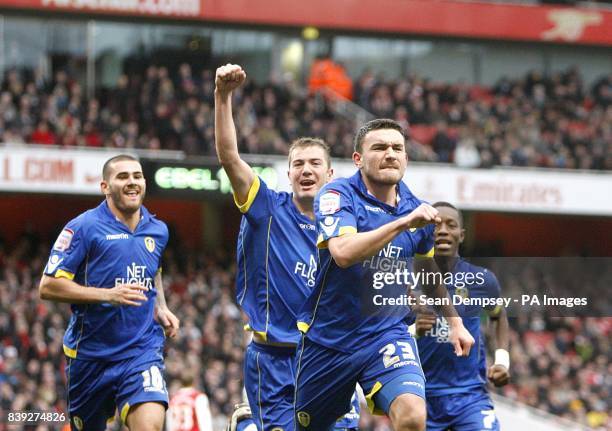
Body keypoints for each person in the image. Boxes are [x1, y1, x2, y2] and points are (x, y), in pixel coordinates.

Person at [294, 118, 474, 431]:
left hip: (386, 334)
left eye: (397, 148)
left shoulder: (416, 207)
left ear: (405, 158)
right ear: (358, 159)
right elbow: (344, 253)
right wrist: (402, 224)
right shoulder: (336, 196)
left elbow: (427, 271)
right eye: (379, 147)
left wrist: (455, 323)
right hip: (329, 339)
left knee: (413, 415)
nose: (390, 153)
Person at [215, 64, 359, 431]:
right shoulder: (266, 206)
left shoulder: (348, 225)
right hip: (273, 358)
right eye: (298, 164)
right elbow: (230, 158)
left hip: (328, 358)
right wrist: (223, 96)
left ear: (330, 176)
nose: (305, 169)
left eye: (314, 163)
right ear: (289, 173)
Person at [39, 154, 179, 431]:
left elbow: (155, 267)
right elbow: (48, 286)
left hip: (141, 351)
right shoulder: (83, 227)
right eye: (123, 176)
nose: (132, 182)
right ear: (105, 186)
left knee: (150, 425)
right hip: (90, 357)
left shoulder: (158, 229)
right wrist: (107, 295)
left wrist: (160, 305)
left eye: (137, 176)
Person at [415, 202, 510, 431]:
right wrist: (413, 331)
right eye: (436, 225)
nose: (444, 230)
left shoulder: (482, 279)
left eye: (451, 225)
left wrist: (502, 361)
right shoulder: (404, 280)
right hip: (418, 395)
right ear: (426, 231)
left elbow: (498, 316)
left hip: (469, 396)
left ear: (462, 235)